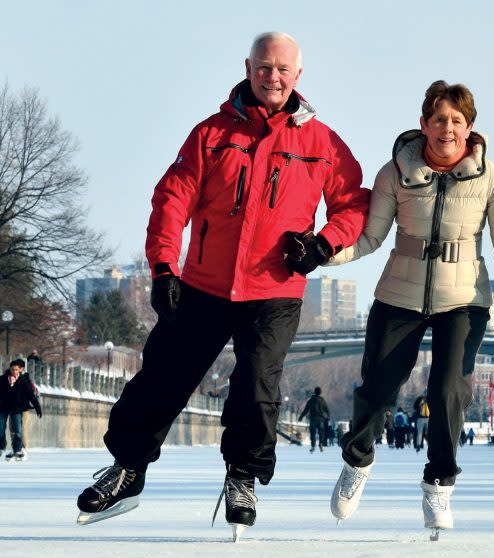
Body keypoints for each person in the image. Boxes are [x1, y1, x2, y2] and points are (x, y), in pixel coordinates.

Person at [75, 31, 369, 535]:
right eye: (263, 67)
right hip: (205, 284)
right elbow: (172, 198)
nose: (271, 77)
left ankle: (243, 476)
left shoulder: (321, 142)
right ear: (248, 67)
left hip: (275, 289)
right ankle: (127, 470)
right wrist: (165, 266)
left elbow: (355, 203)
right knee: (161, 378)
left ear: (297, 76)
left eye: (281, 69)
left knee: (257, 386)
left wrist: (323, 245)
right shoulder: (212, 133)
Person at [328, 80, 494, 535]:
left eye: (457, 121)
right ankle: (357, 460)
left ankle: (439, 482)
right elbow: (368, 239)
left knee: (449, 391)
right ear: (424, 123)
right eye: (439, 119)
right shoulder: (395, 172)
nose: (448, 128)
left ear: (470, 128)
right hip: (399, 295)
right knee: (379, 387)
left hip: (463, 299)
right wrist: (322, 254)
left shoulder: (493, 179)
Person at [0, 359, 42, 461]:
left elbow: (31, 395)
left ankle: (18, 449)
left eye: (16, 370)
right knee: (0, 428)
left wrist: (38, 408)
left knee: (18, 431)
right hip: (3, 408)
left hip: (16, 409)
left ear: (19, 370)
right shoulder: (2, 379)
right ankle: (1, 446)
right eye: (13, 369)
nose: (14, 372)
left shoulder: (23, 381)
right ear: (10, 369)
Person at [298, 387, 330, 453]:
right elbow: (326, 409)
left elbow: (306, 410)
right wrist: (328, 417)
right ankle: (321, 443)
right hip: (321, 419)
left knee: (313, 433)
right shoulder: (322, 400)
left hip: (313, 419)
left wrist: (301, 417)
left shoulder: (311, 400)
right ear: (320, 392)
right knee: (321, 432)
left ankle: (313, 446)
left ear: (314, 392)